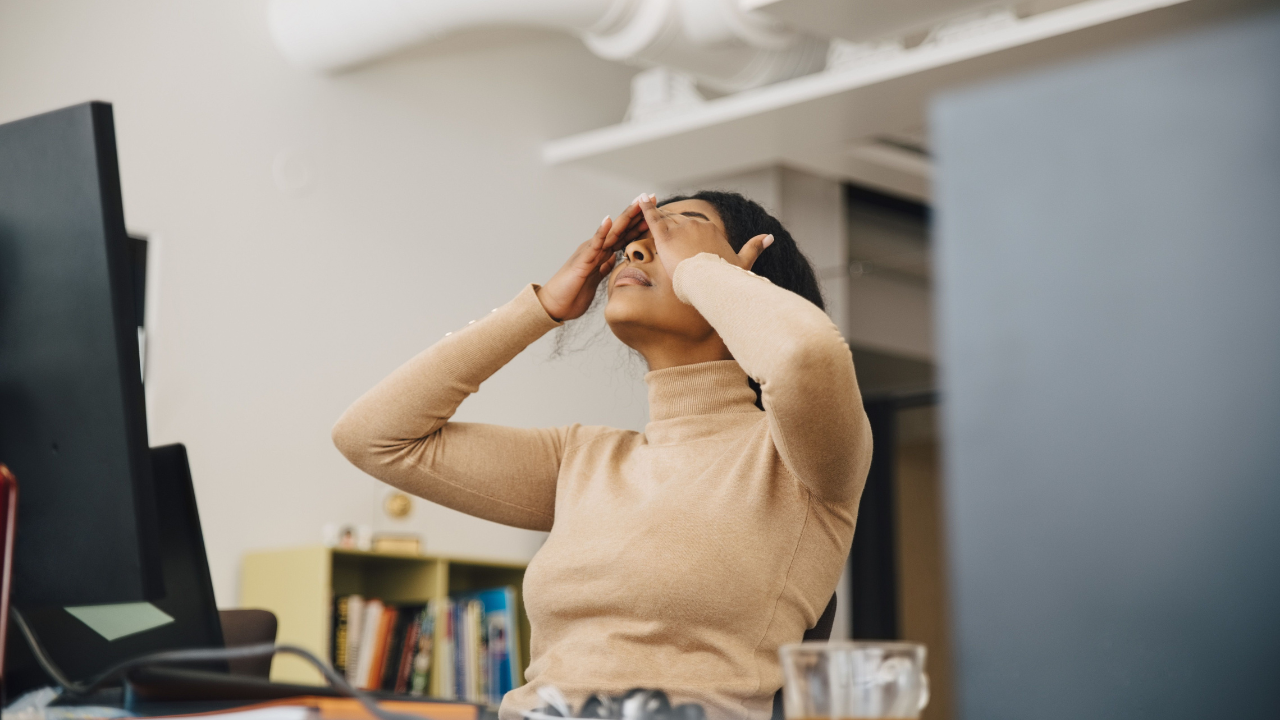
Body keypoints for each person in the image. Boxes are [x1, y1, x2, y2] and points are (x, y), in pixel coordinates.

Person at [332, 191, 873, 720]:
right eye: (636, 241)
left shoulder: (801, 459)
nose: (636, 250)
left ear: (742, 275)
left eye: (674, 234)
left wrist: (704, 274)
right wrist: (540, 307)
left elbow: (806, 355)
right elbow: (373, 437)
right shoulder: (582, 459)